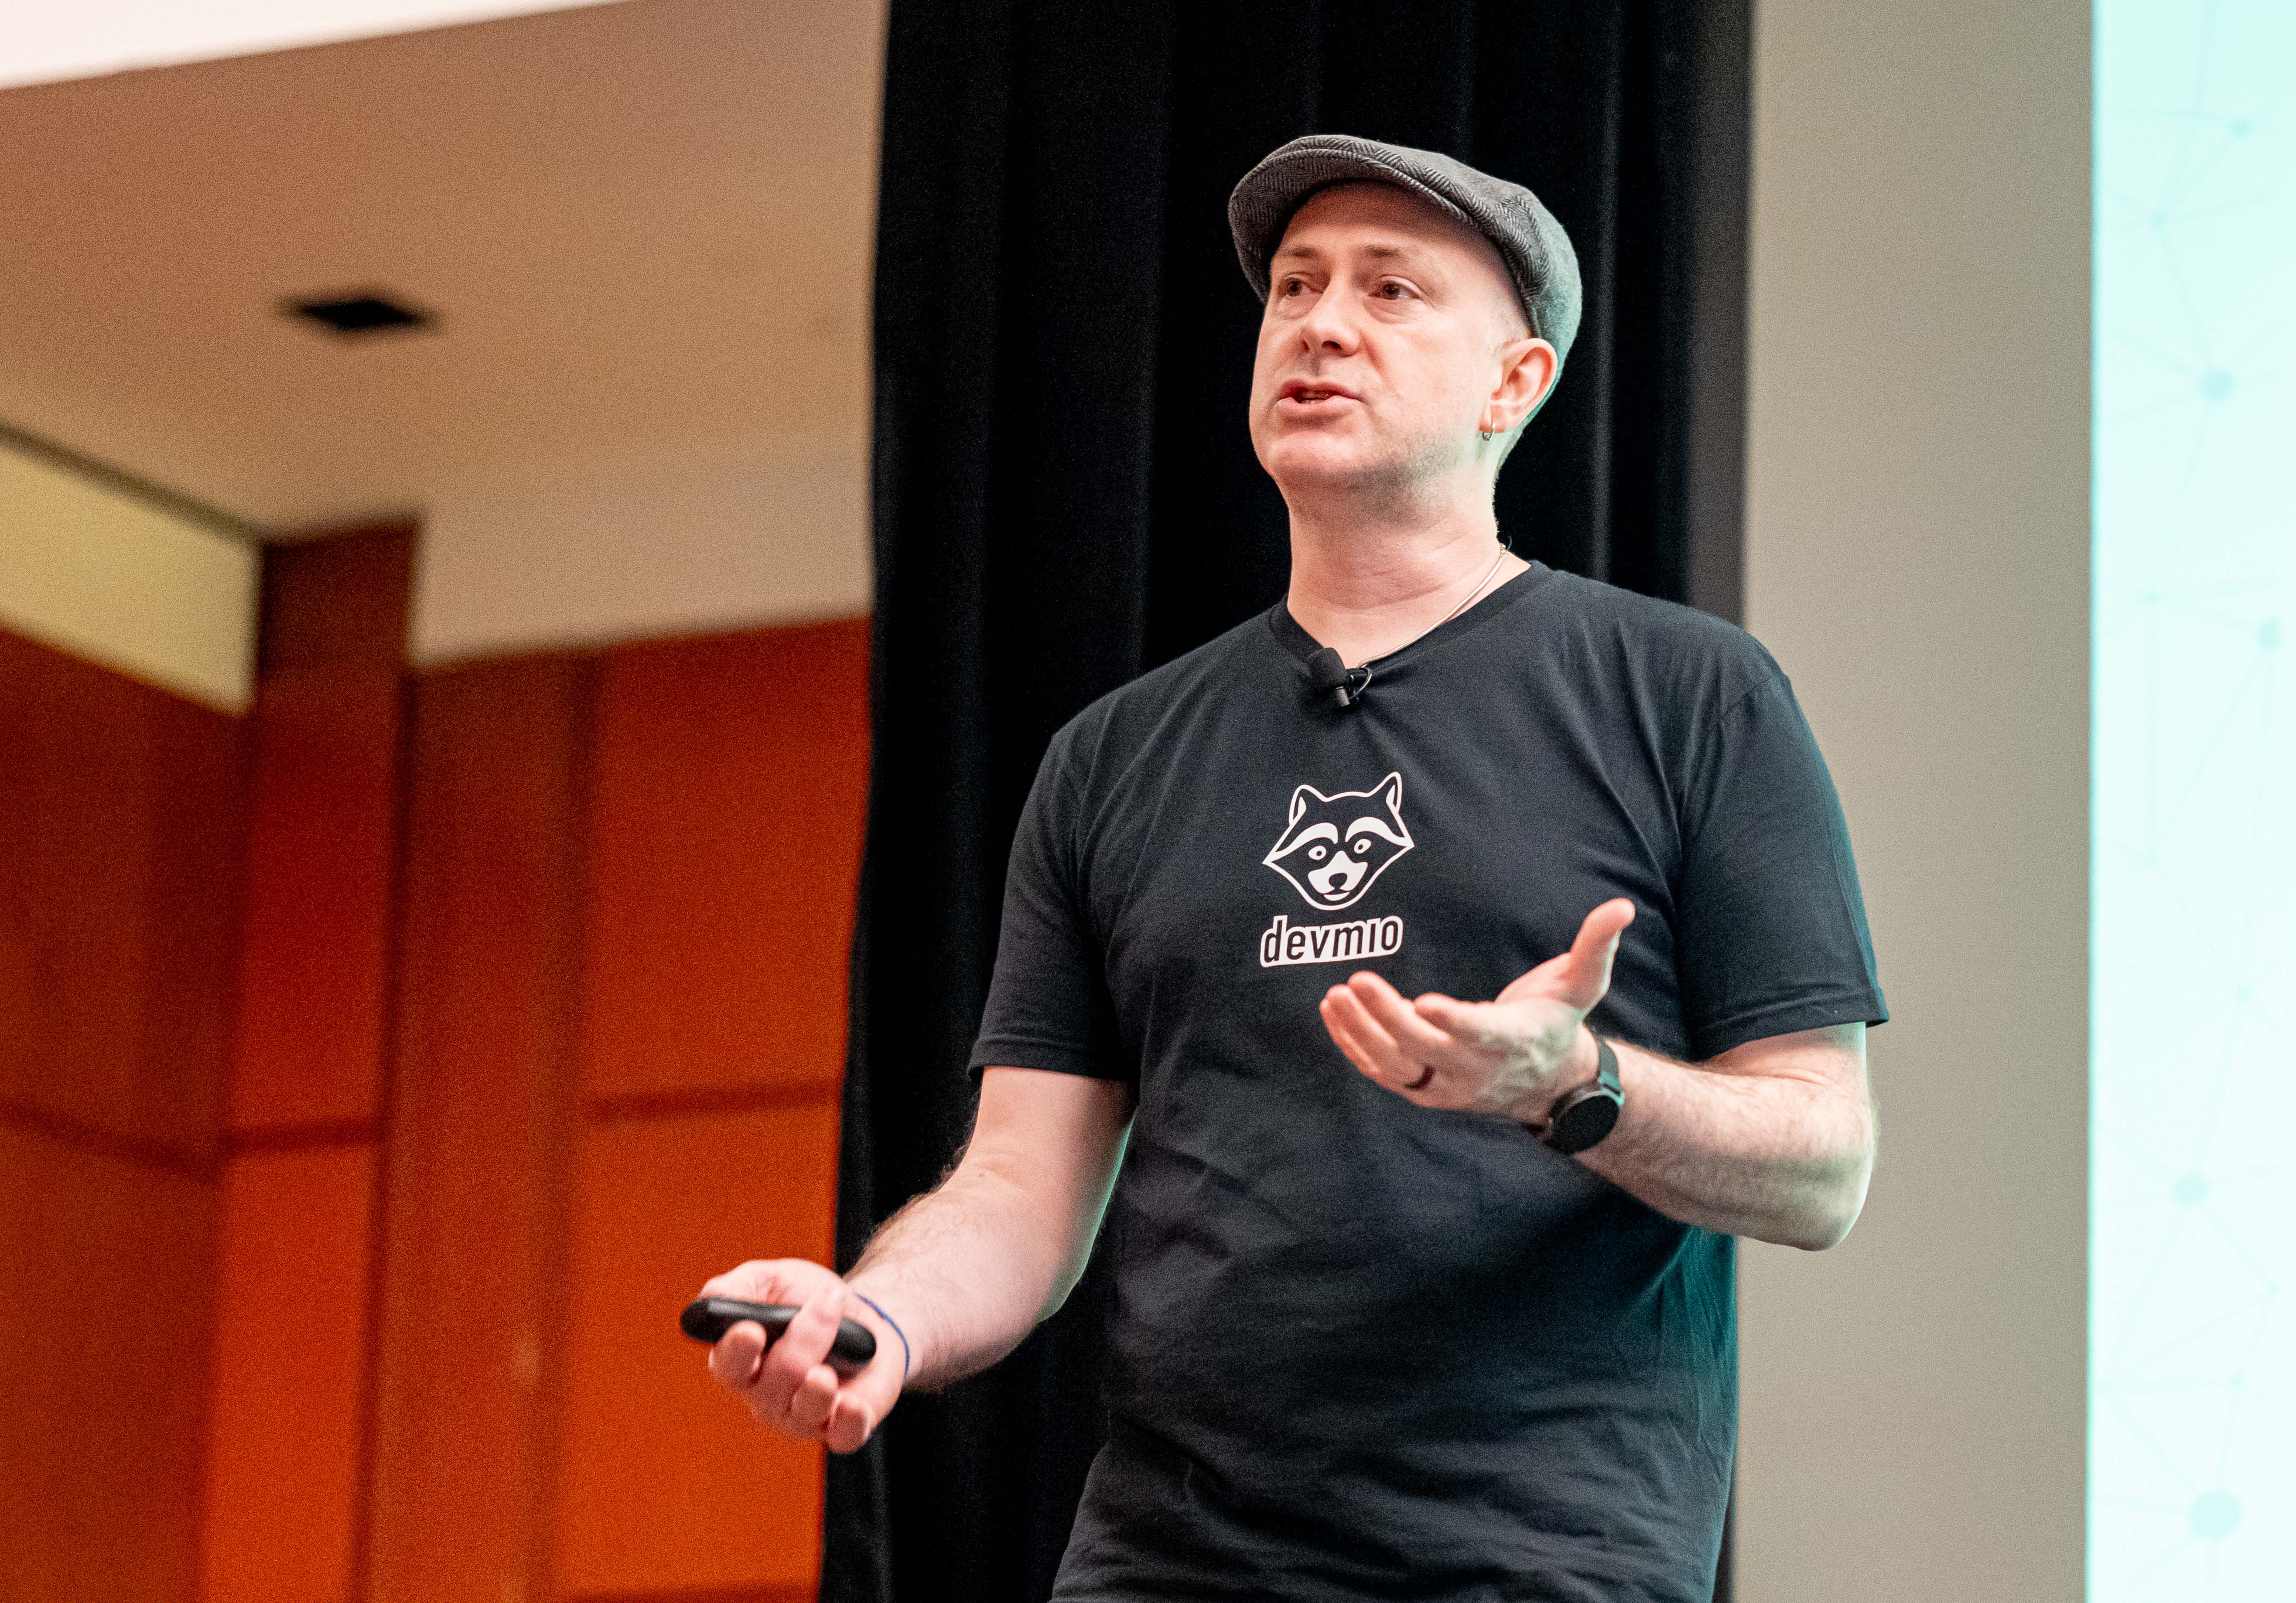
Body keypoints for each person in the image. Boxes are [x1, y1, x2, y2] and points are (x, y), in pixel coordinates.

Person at [701, 134, 1886, 1601]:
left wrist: (1576, 1085)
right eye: (1298, 287)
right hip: (1172, 1562)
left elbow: (1825, 1160)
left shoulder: (1688, 693)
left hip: (1540, 1557)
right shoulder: (1112, 760)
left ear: (1515, 385)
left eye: (1393, 291)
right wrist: (870, 1311)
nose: (1322, 322)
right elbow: (1017, 1187)